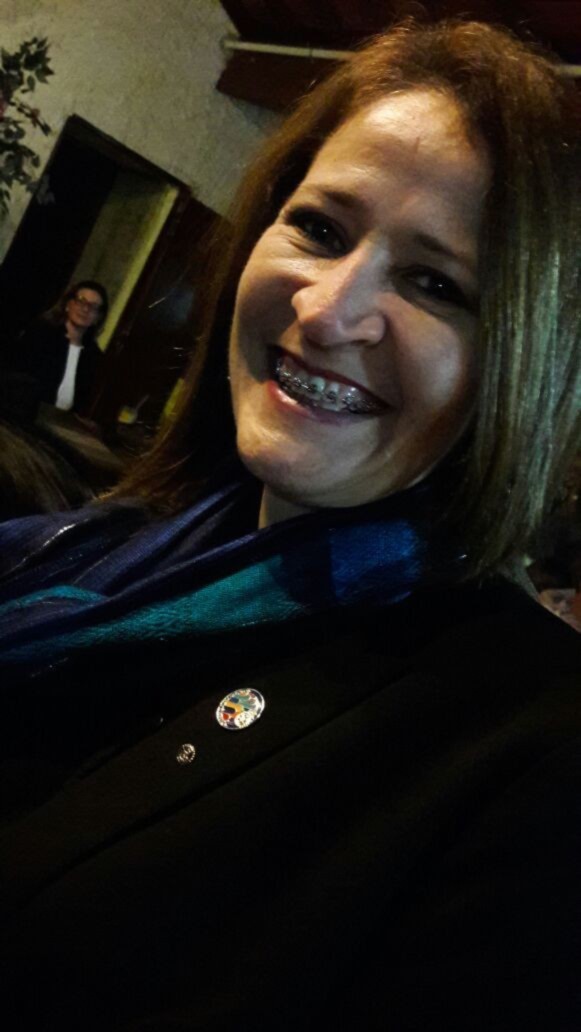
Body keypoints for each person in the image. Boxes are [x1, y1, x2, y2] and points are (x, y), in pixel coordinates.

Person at [0, 19, 580, 1032]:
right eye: (319, 228)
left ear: (527, 365)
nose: (327, 310)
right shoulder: (105, 548)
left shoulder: (530, 749)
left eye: (436, 283)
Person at [4, 279, 109, 416]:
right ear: (68, 304)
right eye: (81, 301)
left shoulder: (93, 355)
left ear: (98, 317)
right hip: (24, 414)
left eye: (93, 306)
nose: (85, 309)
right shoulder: (41, 333)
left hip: (62, 422)